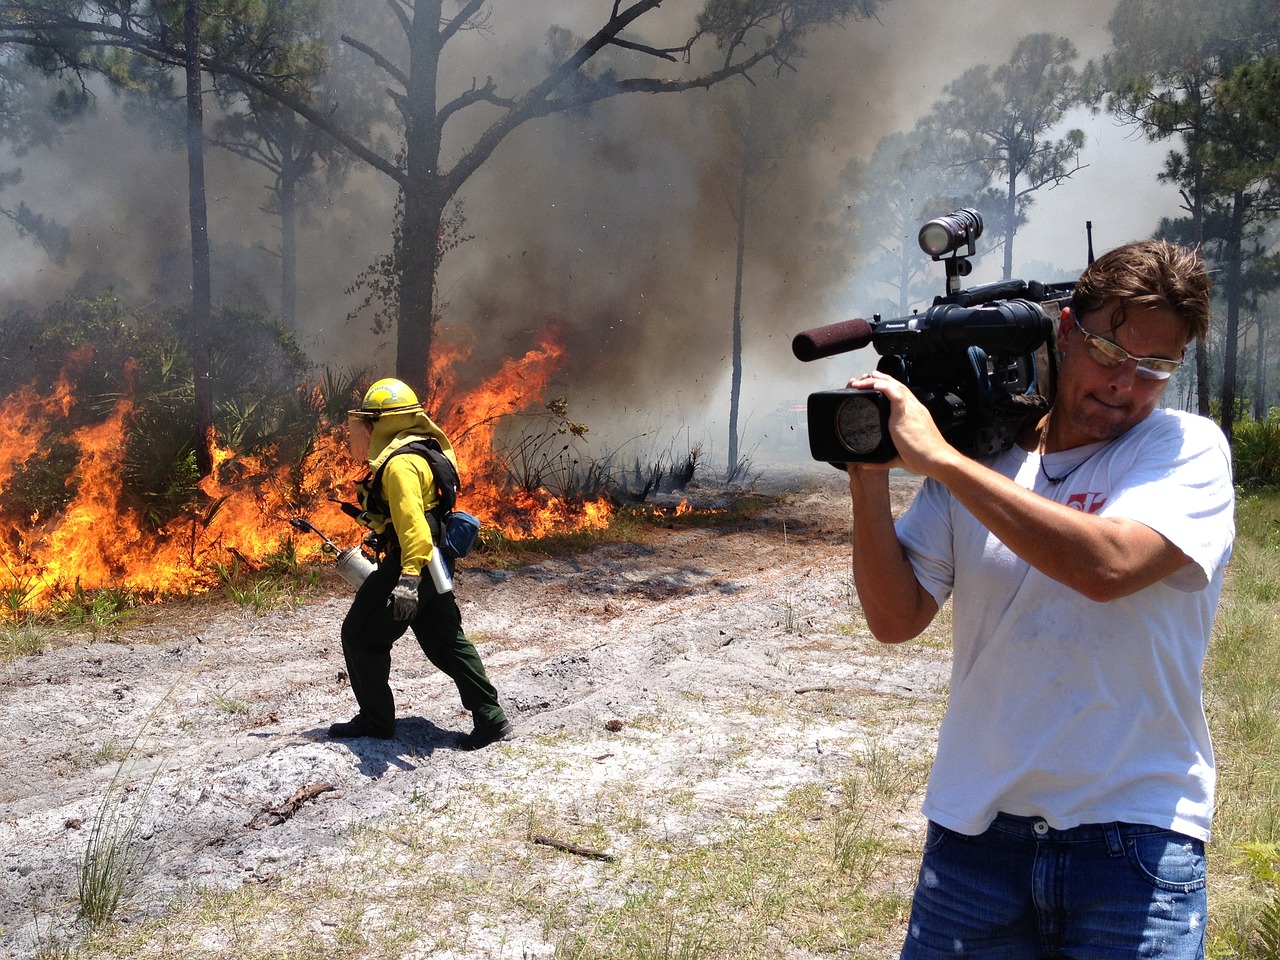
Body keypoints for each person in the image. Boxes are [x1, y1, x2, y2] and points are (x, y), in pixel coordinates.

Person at [845, 240, 1235, 959]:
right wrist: (868, 475)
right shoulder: (987, 459)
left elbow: (1106, 566)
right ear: (1064, 328)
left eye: (1157, 367)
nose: (1128, 384)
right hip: (976, 838)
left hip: (1133, 843)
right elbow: (895, 619)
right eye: (1112, 353)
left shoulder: (1183, 449)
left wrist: (943, 462)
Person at [329, 377, 513, 749]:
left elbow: (414, 526)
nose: (364, 428)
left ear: (385, 422)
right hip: (438, 561)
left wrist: (408, 580)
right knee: (446, 640)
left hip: (414, 562)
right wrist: (374, 521)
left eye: (370, 420)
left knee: (361, 635)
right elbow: (423, 512)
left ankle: (376, 720)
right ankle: (490, 718)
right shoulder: (425, 448)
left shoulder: (398, 466)